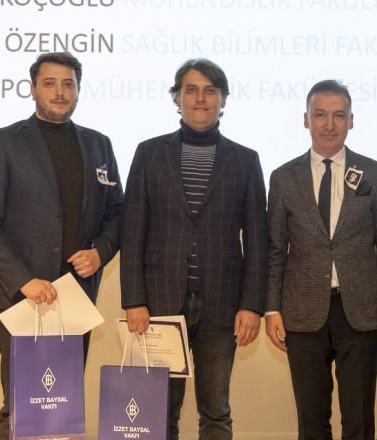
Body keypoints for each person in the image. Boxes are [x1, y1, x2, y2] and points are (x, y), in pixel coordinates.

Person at [0, 52, 124, 439]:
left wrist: (100, 252)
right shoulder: (5, 142)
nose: (60, 92)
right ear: (33, 89)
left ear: (78, 90)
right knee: (21, 406)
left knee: (63, 407)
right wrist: (25, 280)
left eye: (68, 84)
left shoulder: (99, 144)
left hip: (75, 297)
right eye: (50, 83)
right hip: (20, 298)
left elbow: (117, 213)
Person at [120, 58, 268, 440]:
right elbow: (132, 232)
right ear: (177, 97)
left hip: (222, 306)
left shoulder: (246, 160)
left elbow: (257, 240)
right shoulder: (149, 153)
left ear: (223, 99)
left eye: (210, 91)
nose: (200, 98)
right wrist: (133, 300)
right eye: (191, 90)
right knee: (157, 410)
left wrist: (252, 305)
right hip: (159, 305)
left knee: (216, 411)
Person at [265, 79, 377, 440]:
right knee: (311, 421)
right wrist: (271, 309)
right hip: (301, 313)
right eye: (320, 115)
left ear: (351, 120)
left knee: (359, 419)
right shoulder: (283, 178)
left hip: (361, 311)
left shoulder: (375, 173)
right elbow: (275, 250)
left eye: (339, 115)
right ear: (306, 120)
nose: (329, 124)